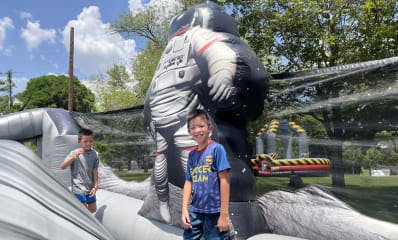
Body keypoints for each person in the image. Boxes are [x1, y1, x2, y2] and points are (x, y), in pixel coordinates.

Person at [181, 109, 233, 239]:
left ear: (209, 128)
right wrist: (184, 209)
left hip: (215, 213)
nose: (197, 130)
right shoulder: (192, 155)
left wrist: (224, 214)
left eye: (201, 126)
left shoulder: (217, 149)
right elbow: (189, 182)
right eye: (193, 127)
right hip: (194, 212)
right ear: (189, 132)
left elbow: (224, 181)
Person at [60, 128, 99, 213]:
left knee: (93, 209)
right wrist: (74, 156)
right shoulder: (74, 153)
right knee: (83, 211)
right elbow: (62, 166)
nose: (88, 143)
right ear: (79, 142)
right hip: (78, 187)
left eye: (91, 141)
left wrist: (96, 185)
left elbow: (94, 170)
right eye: (85, 141)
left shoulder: (94, 154)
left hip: (90, 187)